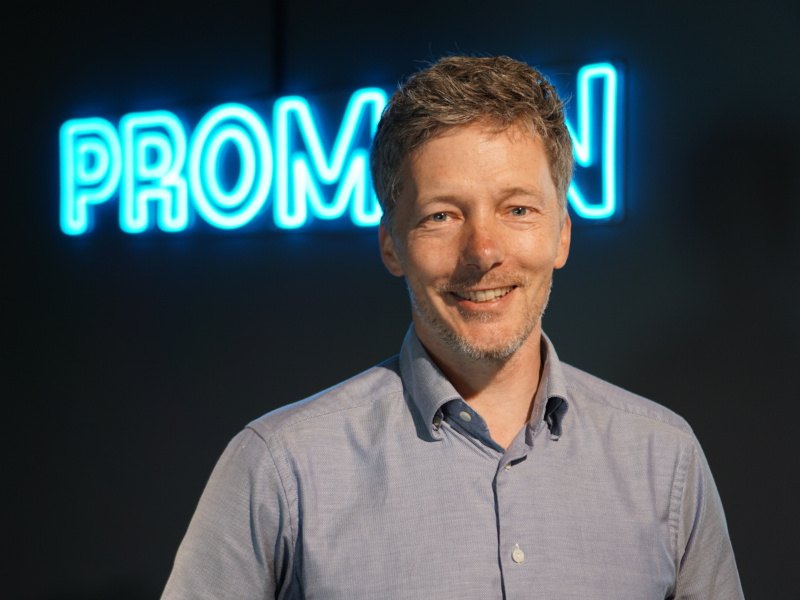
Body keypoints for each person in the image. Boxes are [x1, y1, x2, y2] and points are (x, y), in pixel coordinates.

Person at [162, 55, 743, 599]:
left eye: (518, 209)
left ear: (562, 232)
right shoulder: (279, 469)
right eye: (442, 216)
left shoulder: (665, 460)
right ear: (391, 244)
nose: (483, 251)